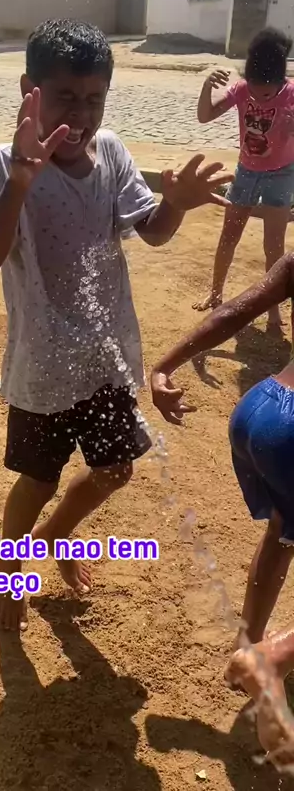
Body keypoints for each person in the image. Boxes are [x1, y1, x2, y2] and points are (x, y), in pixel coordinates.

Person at [0, 18, 232, 632]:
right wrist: (20, 183)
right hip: (43, 363)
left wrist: (174, 205)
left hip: (104, 356)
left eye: (94, 99)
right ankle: (7, 573)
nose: (81, 115)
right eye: (65, 97)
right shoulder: (7, 164)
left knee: (116, 469)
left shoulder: (111, 152)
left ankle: (55, 536)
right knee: (37, 479)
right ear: (29, 91)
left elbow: (152, 231)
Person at [151, 252, 294, 764]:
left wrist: (164, 365)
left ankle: (249, 643)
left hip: (264, 406)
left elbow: (235, 310)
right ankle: (274, 657)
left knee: (284, 529)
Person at [194, 28, 294, 332]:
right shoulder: (241, 90)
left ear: (280, 82)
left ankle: (273, 309)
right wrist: (206, 87)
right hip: (247, 172)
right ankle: (215, 293)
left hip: (281, 175)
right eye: (254, 91)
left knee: (273, 246)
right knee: (229, 235)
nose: (259, 98)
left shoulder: (291, 95)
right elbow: (204, 116)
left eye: (266, 94)